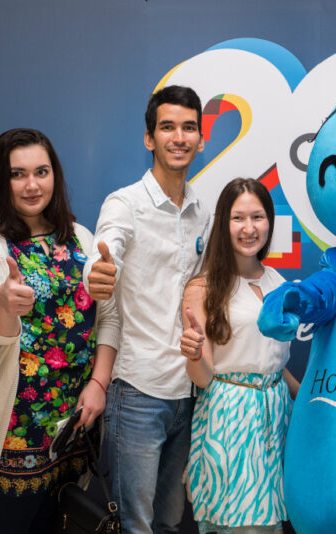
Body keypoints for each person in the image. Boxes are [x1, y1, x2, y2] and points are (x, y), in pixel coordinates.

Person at [0, 128, 119, 532]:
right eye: (17, 174)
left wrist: (99, 383)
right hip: (10, 434)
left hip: (70, 430)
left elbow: (110, 316)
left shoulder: (79, 237)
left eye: (41, 172)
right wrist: (2, 303)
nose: (32, 185)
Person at [83, 85, 211, 533]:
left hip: (189, 393)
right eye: (167, 127)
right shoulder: (125, 203)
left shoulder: (203, 211)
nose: (179, 137)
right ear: (148, 138)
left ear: (201, 138)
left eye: (189, 128)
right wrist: (98, 273)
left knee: (170, 522)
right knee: (134, 525)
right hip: (137, 393)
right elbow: (106, 252)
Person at [180, 178, 299, 534]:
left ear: (269, 222)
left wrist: (307, 396)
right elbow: (203, 377)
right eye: (238, 218)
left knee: (272, 524)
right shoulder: (203, 287)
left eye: (257, 217)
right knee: (240, 525)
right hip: (230, 418)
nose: (249, 228)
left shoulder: (279, 282)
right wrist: (194, 352)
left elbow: (271, 361)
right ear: (223, 224)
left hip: (276, 416)